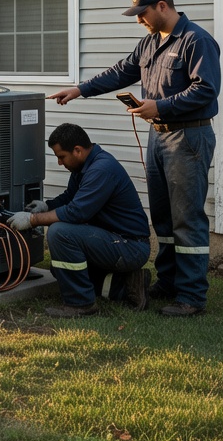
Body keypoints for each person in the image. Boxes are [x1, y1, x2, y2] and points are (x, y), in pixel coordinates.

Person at [48, 0, 220, 318]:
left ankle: (192, 296)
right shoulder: (150, 43)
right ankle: (169, 283)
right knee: (164, 218)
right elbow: (120, 73)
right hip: (159, 137)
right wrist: (80, 90)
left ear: (162, 7)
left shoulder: (195, 40)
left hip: (188, 138)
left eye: (143, 13)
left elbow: (206, 91)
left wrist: (161, 107)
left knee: (187, 219)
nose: (139, 19)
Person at [8, 123, 151, 317]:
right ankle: (126, 285)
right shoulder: (84, 166)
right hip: (113, 239)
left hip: (130, 246)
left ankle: (80, 304)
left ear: (77, 150)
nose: (60, 163)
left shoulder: (101, 169)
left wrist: (33, 219)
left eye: (61, 157)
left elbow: (76, 212)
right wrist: (46, 206)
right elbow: (70, 198)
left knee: (60, 233)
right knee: (60, 269)